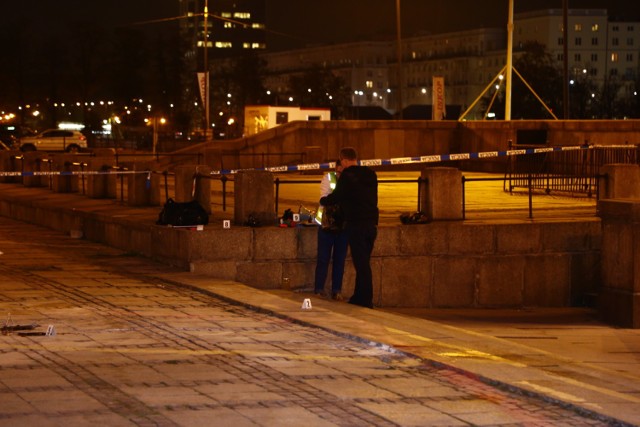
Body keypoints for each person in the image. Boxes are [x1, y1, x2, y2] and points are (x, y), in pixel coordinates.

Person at [320, 147, 378, 308]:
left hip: (356, 224)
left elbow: (337, 196)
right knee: (364, 261)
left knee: (361, 264)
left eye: (342, 162)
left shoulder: (347, 175)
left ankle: (366, 299)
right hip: (371, 224)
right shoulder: (370, 174)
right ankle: (359, 297)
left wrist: (324, 201)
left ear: (344, 160)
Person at [313, 160, 348, 300]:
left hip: (342, 227)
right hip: (327, 226)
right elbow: (324, 199)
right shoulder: (328, 178)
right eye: (339, 172)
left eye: (343, 172)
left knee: (340, 260)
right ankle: (319, 289)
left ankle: (336, 291)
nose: (341, 175)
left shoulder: (349, 180)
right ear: (336, 169)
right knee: (323, 259)